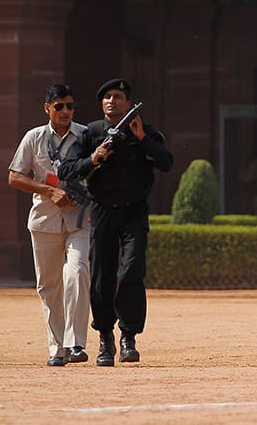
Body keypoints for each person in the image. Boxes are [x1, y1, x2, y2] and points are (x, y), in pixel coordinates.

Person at [58, 78, 173, 366]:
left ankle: (128, 338)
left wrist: (142, 138)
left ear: (127, 102)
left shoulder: (142, 129)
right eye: (107, 97)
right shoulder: (91, 133)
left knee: (132, 270)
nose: (112, 101)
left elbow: (166, 162)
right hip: (103, 210)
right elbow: (67, 170)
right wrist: (93, 159)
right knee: (101, 277)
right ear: (101, 103)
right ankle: (106, 339)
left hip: (134, 210)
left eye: (118, 96)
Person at [8, 84, 90, 366]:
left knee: (77, 272)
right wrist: (49, 190)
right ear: (47, 109)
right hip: (44, 219)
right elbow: (14, 177)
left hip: (81, 218)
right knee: (49, 286)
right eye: (59, 106)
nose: (66, 111)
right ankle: (58, 348)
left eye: (70, 105)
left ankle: (75, 343)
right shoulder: (34, 138)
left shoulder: (86, 135)